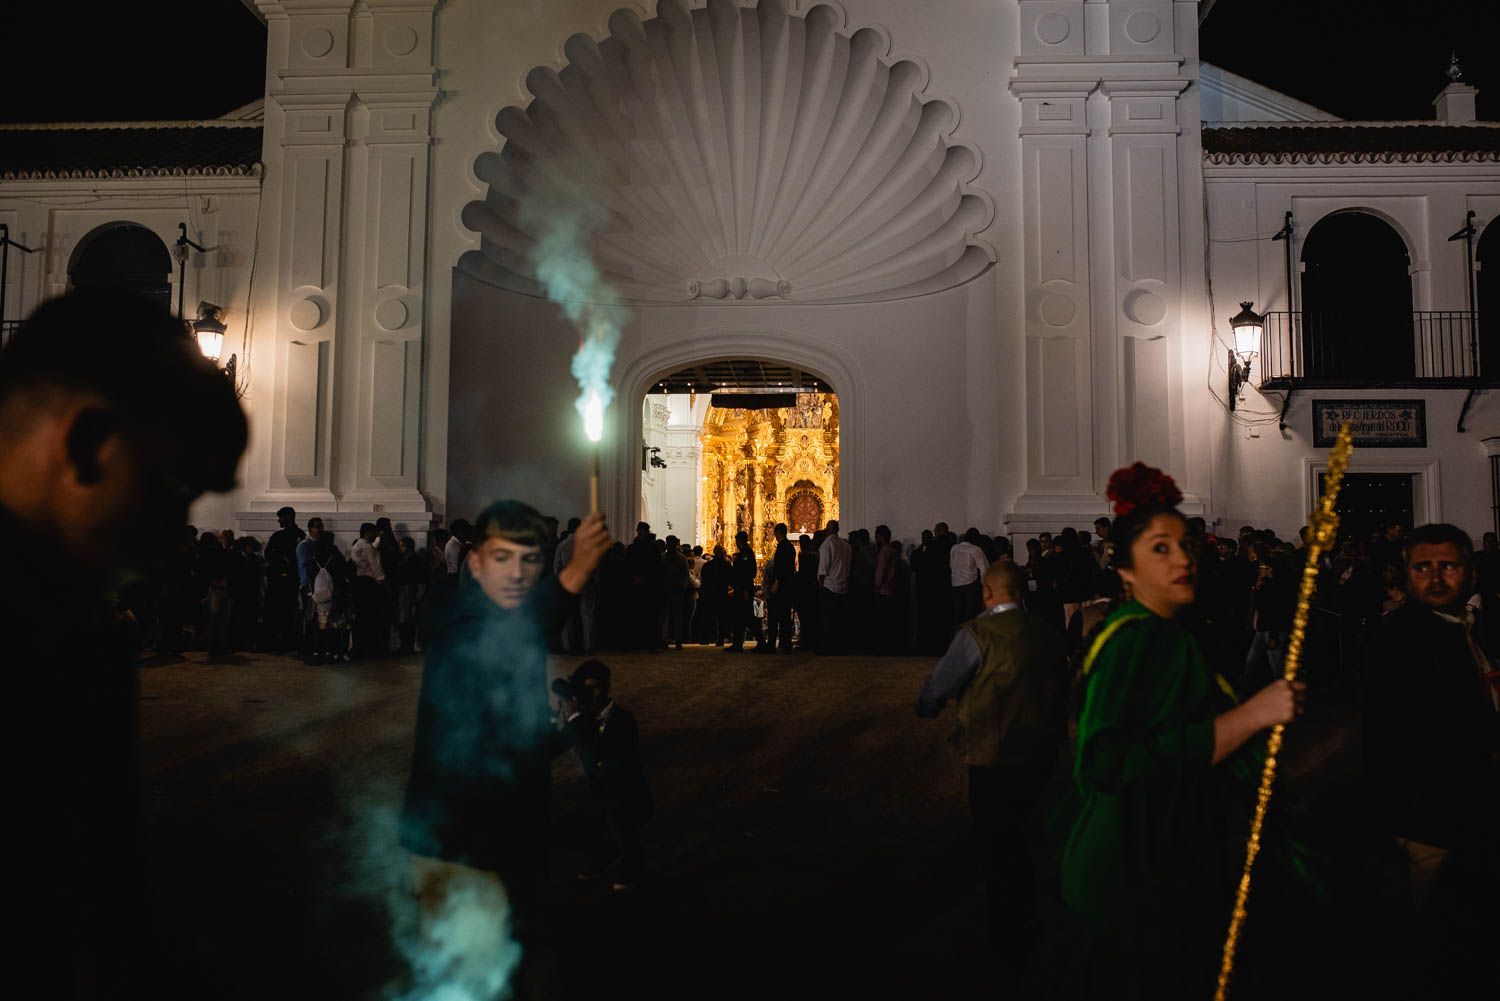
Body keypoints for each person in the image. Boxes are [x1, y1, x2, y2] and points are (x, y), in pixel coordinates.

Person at [0, 288, 246, 997]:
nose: (177, 539)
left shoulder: (77, 622)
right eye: (172, 490)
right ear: (85, 442)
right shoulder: (55, 635)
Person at [1044, 462, 1308, 999]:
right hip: (1134, 866)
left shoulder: (1159, 634)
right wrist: (1251, 717)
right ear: (1124, 570)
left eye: (1186, 545)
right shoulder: (1140, 641)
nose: (1184, 558)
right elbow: (1104, 762)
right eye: (1161, 548)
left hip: (1154, 853)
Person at [400, 502, 610, 995]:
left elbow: (514, 739)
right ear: (474, 561)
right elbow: (494, 638)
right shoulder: (452, 614)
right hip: (455, 842)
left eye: (529, 560)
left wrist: (568, 729)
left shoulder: (515, 623)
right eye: (502, 558)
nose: (517, 574)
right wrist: (574, 575)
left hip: (513, 835)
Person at [1362, 523, 1499, 997]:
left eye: (1448, 566)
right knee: (1424, 939)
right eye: (1423, 567)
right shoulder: (1403, 638)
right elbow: (1425, 732)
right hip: (1427, 820)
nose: (1436, 577)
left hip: (1452, 816)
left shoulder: (1456, 627)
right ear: (1405, 573)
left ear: (1471, 573)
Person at [916, 561, 1068, 978]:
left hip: (993, 753)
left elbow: (941, 683)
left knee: (997, 844)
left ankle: (1010, 933)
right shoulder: (1048, 634)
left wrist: (927, 705)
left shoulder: (977, 634)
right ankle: (1037, 916)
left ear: (986, 592)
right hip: (1041, 753)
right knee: (1029, 832)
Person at [556, 659, 654, 891]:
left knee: (615, 811)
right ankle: (606, 851)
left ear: (608, 687)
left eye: (596, 687)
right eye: (585, 689)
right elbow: (550, 747)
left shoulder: (623, 720)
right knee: (561, 827)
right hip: (603, 800)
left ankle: (633, 864)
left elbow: (601, 760)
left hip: (630, 799)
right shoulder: (584, 719)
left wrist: (574, 720)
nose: (592, 694)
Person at [264, 507, 305, 653]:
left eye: (281, 517)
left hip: (290, 581)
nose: (279, 521)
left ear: (289, 517)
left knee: (287, 612)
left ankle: (287, 642)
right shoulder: (278, 536)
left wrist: (283, 558)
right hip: (277, 580)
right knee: (276, 612)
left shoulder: (298, 535)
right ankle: (277, 642)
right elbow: (269, 553)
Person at [350, 522, 387, 658]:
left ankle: (358, 647)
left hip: (359, 583)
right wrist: (382, 580)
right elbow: (375, 566)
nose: (376, 535)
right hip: (369, 584)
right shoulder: (366, 547)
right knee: (370, 617)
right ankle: (370, 649)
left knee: (360, 617)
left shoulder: (357, 545)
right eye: (374, 532)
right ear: (367, 533)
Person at [816, 519, 851, 654]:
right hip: (843, 586)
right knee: (840, 620)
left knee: (828, 619)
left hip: (829, 587)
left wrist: (820, 587)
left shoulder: (828, 544)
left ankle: (828, 647)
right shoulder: (846, 545)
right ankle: (839, 646)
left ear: (828, 530)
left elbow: (823, 570)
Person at [764, 523, 797, 654]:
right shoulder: (789, 547)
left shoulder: (783, 548)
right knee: (784, 618)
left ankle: (772, 644)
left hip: (781, 587)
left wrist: (777, 583)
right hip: (787, 587)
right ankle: (785, 644)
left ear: (778, 533)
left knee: (774, 617)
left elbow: (782, 568)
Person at [949, 527, 990, 628]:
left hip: (955, 584)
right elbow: (984, 568)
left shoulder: (954, 548)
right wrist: (983, 585)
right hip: (970, 585)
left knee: (957, 615)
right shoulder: (976, 549)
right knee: (970, 615)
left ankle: (957, 638)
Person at [726, 530, 758, 652]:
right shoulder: (745, 553)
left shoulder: (746, 554)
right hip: (741, 589)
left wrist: (744, 590)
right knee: (739, 617)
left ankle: (759, 641)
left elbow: (748, 573)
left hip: (744, 589)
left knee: (747, 617)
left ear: (740, 541)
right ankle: (737, 643)